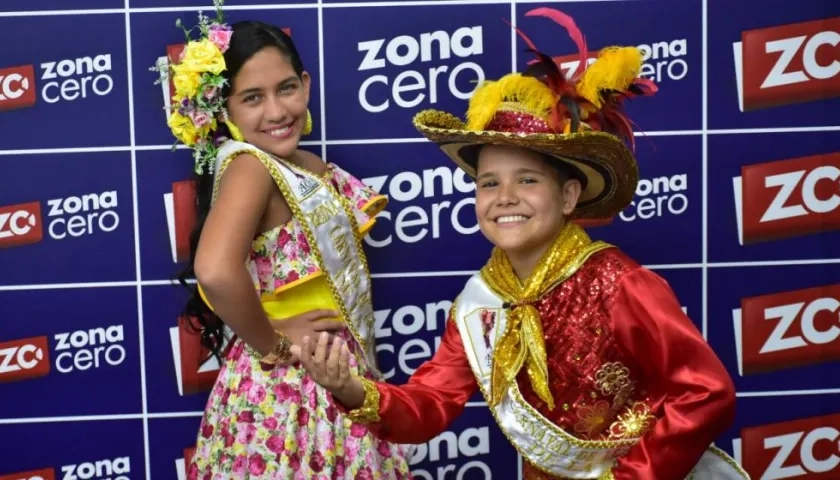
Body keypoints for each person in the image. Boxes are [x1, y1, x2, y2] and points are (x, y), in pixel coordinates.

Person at [292, 7, 751, 480]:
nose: (505, 198)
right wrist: (351, 389)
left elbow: (706, 392)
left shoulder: (619, 283)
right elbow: (430, 404)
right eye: (489, 183)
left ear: (568, 195)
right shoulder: (480, 302)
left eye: (527, 179)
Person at [154, 1, 413, 478]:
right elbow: (213, 269)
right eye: (252, 97)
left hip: (336, 376)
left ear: (306, 84)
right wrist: (273, 344)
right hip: (288, 393)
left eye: (287, 88)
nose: (277, 111)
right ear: (224, 108)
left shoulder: (308, 166)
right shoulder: (252, 167)